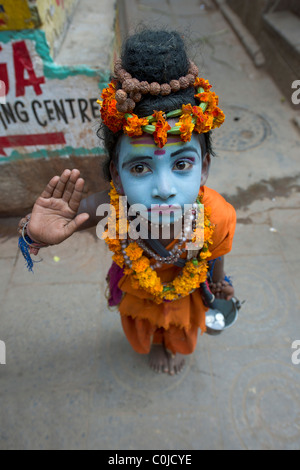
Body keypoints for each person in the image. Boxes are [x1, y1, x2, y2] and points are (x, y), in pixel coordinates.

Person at [18, 30, 236, 376]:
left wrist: (219, 287)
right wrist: (34, 234)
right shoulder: (114, 207)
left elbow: (218, 254)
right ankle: (153, 343)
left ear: (204, 168)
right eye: (140, 167)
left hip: (189, 289)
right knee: (143, 323)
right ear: (117, 177)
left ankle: (172, 346)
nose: (163, 189)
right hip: (139, 284)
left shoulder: (219, 216)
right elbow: (75, 214)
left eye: (181, 164)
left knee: (180, 325)